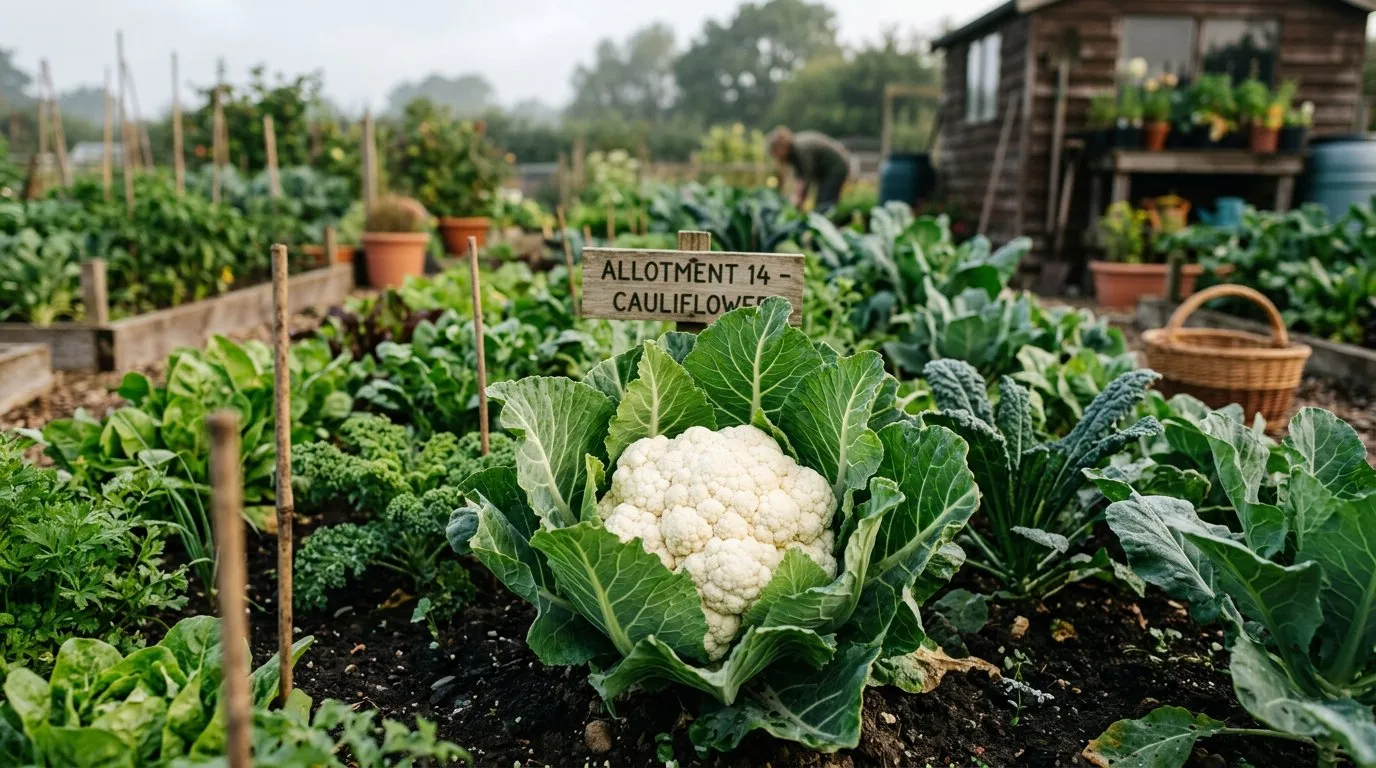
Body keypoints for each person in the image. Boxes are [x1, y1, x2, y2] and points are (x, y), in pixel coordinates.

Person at [766, 126, 851, 212]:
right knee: (822, 203)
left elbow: (805, 179)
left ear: (781, 147)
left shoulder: (800, 150)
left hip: (836, 167)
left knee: (825, 204)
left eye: (775, 152)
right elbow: (800, 178)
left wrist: (797, 200)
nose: (775, 157)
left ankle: (829, 222)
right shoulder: (794, 150)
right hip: (828, 171)